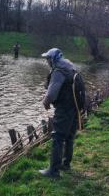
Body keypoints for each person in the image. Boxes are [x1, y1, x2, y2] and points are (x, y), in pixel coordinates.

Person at [39, 48, 85, 178]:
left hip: (64, 108)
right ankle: (66, 164)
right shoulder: (70, 67)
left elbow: (52, 93)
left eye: (48, 59)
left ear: (53, 59)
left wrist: (46, 103)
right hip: (75, 108)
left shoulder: (59, 71)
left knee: (57, 138)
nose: (47, 61)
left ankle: (53, 171)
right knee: (69, 137)